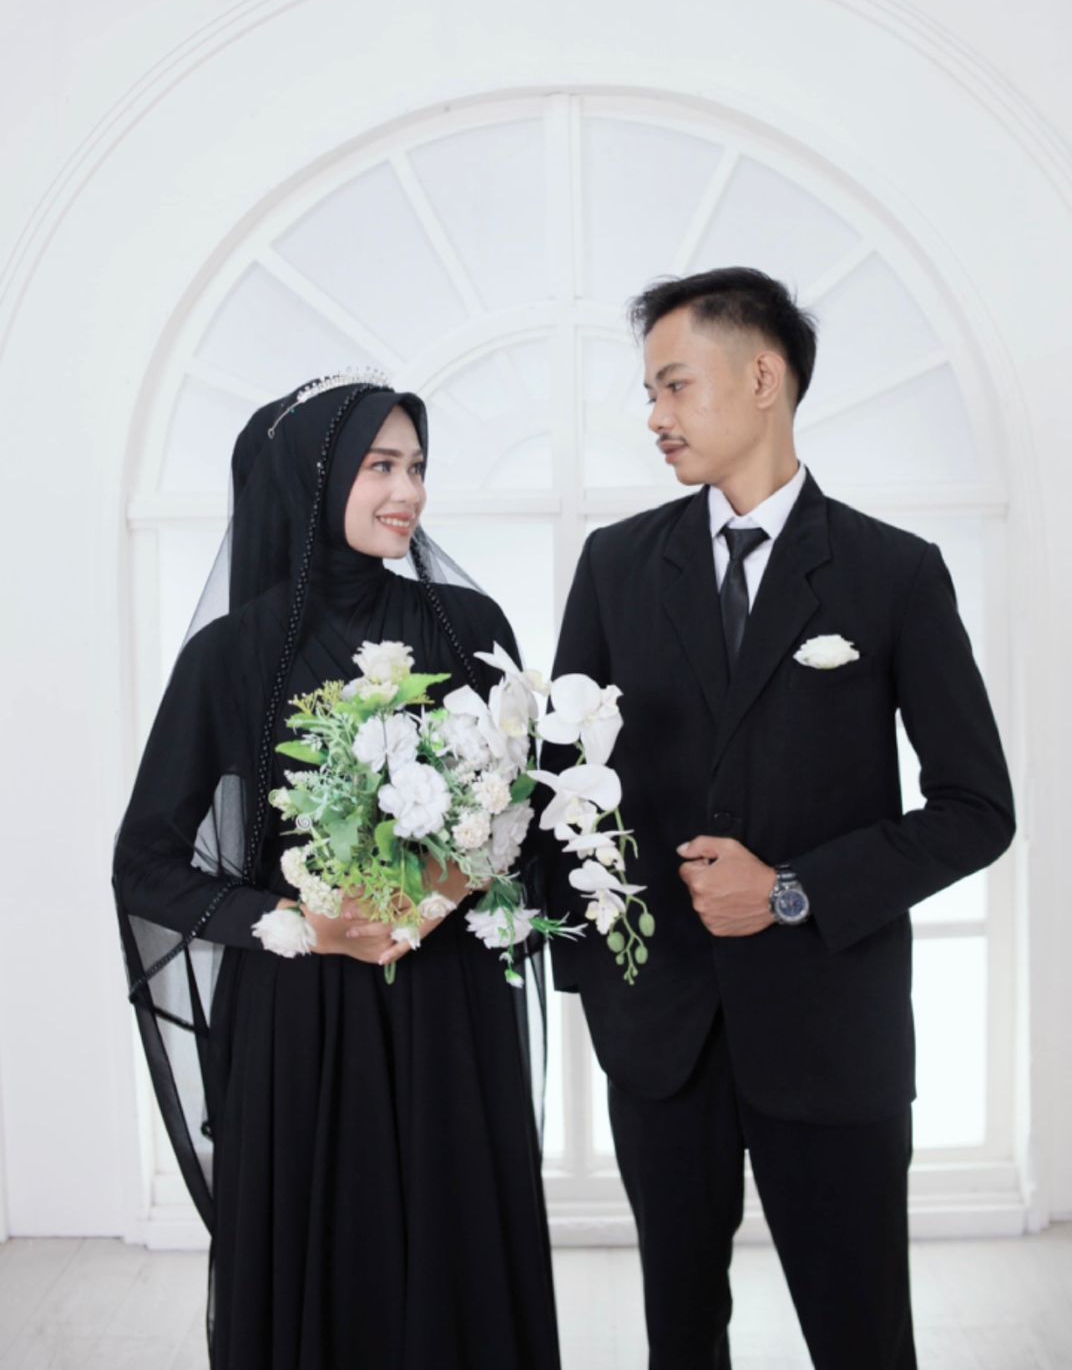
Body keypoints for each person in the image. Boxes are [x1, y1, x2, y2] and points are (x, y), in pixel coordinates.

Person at [541, 268, 1015, 1370]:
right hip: (660, 1037)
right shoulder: (616, 566)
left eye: (674, 385)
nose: (654, 416)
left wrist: (791, 890)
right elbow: (564, 791)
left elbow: (975, 811)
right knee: (679, 1340)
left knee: (862, 1340)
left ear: (763, 378)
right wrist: (594, 977)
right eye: (648, 392)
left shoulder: (894, 574)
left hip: (831, 1032)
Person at [114, 376, 560, 1370]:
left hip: (449, 1007)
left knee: (457, 1261)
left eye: (417, 467)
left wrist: (444, 887)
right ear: (311, 478)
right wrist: (303, 922)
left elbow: (522, 812)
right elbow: (143, 863)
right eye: (379, 465)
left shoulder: (469, 626)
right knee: (332, 1264)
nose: (409, 492)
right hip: (304, 1021)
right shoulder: (232, 656)